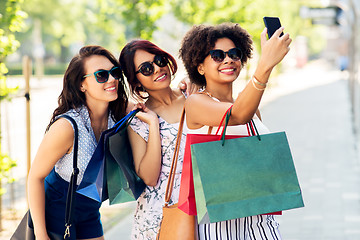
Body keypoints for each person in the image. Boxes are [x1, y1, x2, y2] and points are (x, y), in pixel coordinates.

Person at [179, 23, 291, 239]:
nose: (228, 59)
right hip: (219, 223)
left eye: (234, 53)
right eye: (217, 55)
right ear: (200, 67)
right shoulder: (196, 103)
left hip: (260, 219)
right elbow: (237, 116)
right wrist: (265, 65)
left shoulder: (250, 107)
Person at [27, 45, 128, 240]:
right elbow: (35, 177)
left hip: (89, 210)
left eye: (115, 72)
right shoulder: (67, 127)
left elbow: (154, 103)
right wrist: (41, 234)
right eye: (101, 75)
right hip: (56, 211)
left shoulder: (117, 117)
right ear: (82, 85)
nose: (112, 79)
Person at [119, 39, 187, 240]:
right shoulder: (139, 120)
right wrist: (153, 125)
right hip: (160, 219)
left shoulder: (194, 96)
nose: (158, 68)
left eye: (159, 60)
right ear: (136, 80)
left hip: (203, 210)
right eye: (147, 68)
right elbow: (149, 177)